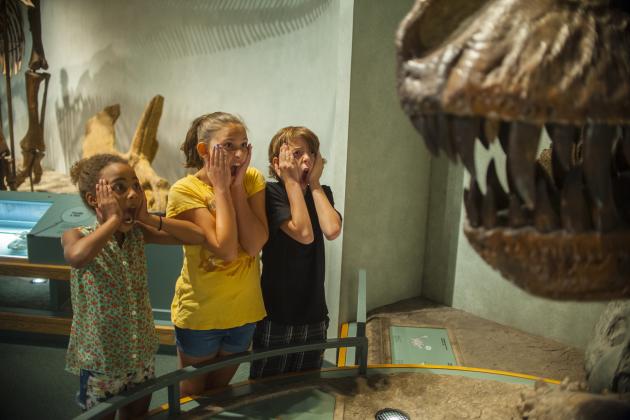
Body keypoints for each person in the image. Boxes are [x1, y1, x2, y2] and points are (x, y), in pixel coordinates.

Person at [62, 153, 204, 418]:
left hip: (140, 355)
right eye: (119, 187)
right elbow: (77, 256)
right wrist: (113, 220)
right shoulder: (78, 235)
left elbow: (197, 236)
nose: (133, 194)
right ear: (95, 199)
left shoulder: (139, 232)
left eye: (135, 186)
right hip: (101, 363)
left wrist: (149, 219)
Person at [167, 112, 268, 395]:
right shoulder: (184, 190)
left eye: (244, 145)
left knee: (219, 393)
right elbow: (225, 249)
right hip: (201, 315)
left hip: (244, 312)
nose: (238, 154)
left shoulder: (251, 180)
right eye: (228, 146)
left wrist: (236, 187)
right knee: (192, 396)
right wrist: (221, 188)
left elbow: (254, 244)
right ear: (203, 150)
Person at [250, 126, 342, 379]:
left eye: (311, 152)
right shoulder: (271, 193)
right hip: (276, 313)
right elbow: (303, 233)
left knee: (307, 384)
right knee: (265, 386)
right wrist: (290, 182)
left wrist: (313, 183)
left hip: (313, 312)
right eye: (298, 152)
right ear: (277, 162)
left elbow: (332, 229)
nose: (307, 158)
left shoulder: (321, 193)